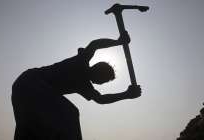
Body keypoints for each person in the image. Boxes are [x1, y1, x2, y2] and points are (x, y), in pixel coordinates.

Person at [11, 31, 142, 140]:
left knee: (29, 129)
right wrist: (117, 42)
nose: (102, 82)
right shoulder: (82, 61)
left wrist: (126, 94)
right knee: (71, 113)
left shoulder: (85, 86)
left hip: (22, 86)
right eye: (104, 79)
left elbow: (101, 99)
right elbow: (95, 44)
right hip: (32, 82)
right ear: (98, 70)